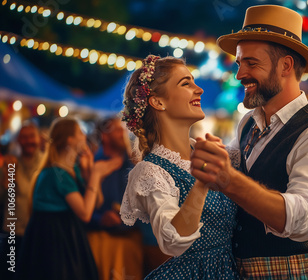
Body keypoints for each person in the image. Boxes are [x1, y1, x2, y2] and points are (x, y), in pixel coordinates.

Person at [191, 5, 308, 279]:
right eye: (240, 63)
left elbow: (304, 220)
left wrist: (228, 179)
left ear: (286, 65)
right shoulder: (248, 123)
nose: (240, 74)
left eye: (251, 63)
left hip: (294, 273)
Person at [119, 55, 239, 279]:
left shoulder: (214, 153)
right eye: (186, 83)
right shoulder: (151, 171)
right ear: (158, 101)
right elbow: (172, 241)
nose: (199, 89)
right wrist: (201, 182)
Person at [16, 118, 121, 280]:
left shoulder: (71, 170)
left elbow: (96, 203)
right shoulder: (57, 174)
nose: (84, 135)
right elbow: (85, 213)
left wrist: (88, 171)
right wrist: (96, 175)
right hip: (55, 243)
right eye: (80, 132)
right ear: (69, 140)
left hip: (66, 237)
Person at [86, 117, 143, 280]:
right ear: (104, 135)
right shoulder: (91, 165)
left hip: (129, 241)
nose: (122, 133)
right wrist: (100, 218)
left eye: (122, 129)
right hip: (100, 240)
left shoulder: (133, 165)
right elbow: (82, 206)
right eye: (117, 130)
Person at [0, 122, 42, 280]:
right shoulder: (11, 164)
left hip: (38, 233)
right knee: (10, 274)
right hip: (13, 233)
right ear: (18, 140)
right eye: (24, 137)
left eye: (31, 136)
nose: (28, 141)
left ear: (39, 139)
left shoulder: (47, 164)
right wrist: (6, 180)